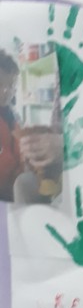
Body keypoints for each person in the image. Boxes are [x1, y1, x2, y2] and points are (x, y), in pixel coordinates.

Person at [0, 50, 21, 202]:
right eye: (0, 84)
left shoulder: (14, 118)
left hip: (13, 196)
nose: (6, 92)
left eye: (11, 86)